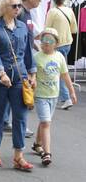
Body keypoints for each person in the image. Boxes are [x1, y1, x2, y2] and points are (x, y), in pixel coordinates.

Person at [0, 0, 36, 171]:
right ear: (4, 8)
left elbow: (28, 52)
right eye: (14, 6)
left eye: (19, 6)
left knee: (21, 117)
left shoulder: (23, 27)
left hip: (19, 78)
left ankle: (18, 156)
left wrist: (32, 73)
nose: (17, 9)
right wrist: (1, 73)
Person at [32, 27, 77, 166]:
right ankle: (47, 153)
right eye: (44, 39)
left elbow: (65, 75)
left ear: (56, 43)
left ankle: (37, 144)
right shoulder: (36, 57)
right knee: (46, 123)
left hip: (53, 95)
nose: (46, 42)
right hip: (40, 95)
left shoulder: (59, 57)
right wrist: (32, 79)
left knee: (44, 121)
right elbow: (31, 73)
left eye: (50, 40)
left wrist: (72, 92)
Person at [3, 0, 42, 137]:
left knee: (15, 90)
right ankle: (17, 125)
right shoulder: (20, 12)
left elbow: (28, 35)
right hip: (19, 58)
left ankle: (6, 121)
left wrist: (34, 46)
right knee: (20, 93)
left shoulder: (27, 13)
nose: (40, 1)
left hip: (24, 56)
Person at [45, 0, 78, 110]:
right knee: (61, 70)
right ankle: (63, 97)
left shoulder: (52, 12)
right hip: (68, 43)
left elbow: (47, 29)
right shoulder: (70, 10)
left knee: (59, 71)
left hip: (56, 44)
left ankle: (65, 97)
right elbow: (74, 29)